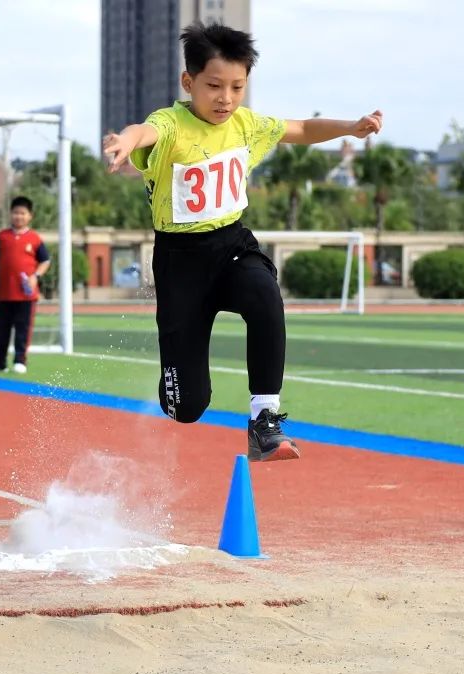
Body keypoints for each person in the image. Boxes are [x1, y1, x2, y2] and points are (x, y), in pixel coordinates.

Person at [102, 22, 382, 462]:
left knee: (265, 293)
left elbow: (301, 128)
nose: (226, 99)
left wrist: (350, 127)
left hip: (232, 245)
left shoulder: (246, 125)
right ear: (188, 82)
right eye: (214, 86)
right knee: (186, 407)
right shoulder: (171, 124)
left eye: (237, 87)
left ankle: (264, 420)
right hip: (180, 263)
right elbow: (144, 131)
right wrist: (125, 140)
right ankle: (179, 375)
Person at [0, 196, 50, 375]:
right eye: (16, 213)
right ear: (10, 214)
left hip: (26, 295)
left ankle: (20, 361)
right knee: (1, 330)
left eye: (23, 213)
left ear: (30, 216)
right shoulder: (2, 236)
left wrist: (35, 276)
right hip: (4, 294)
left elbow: (45, 261)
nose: (19, 216)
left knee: (22, 329)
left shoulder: (35, 239)